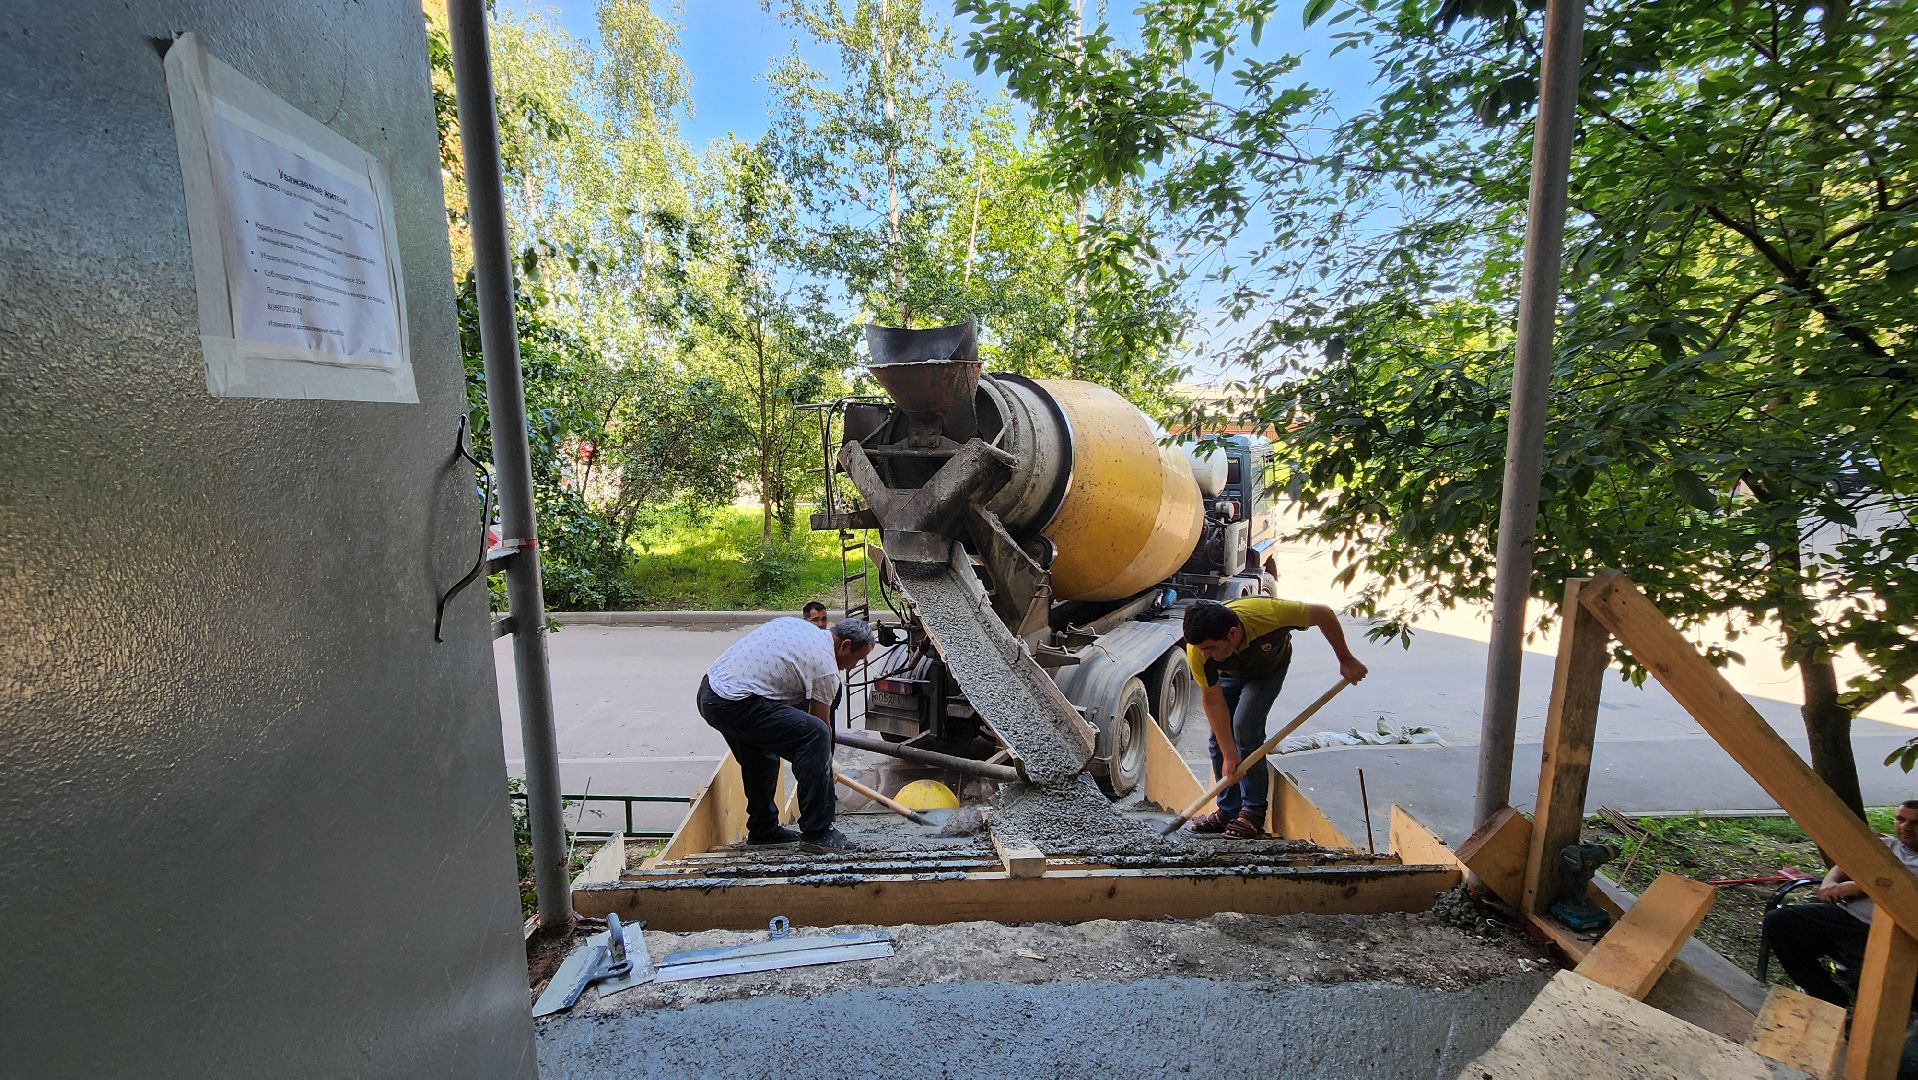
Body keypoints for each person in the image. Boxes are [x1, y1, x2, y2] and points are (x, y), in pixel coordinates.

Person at [1182, 596, 1370, 839]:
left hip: (1267, 671)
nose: (1203, 654)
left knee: (1246, 729)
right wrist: (1229, 755)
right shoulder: (1199, 653)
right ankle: (1229, 811)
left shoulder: (1269, 614)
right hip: (1228, 674)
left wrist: (1346, 658)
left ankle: (1252, 813)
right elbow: (1213, 702)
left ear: (1232, 633)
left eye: (1209, 648)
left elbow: (1323, 613)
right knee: (1220, 738)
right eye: (1200, 648)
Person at [696, 616, 875, 853]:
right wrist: (825, 764)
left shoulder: (805, 629)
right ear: (845, 645)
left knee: (760, 756)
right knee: (815, 736)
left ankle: (763, 829)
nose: (853, 666)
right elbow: (821, 726)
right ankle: (818, 831)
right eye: (857, 658)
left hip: (713, 692)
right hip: (734, 701)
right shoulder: (826, 670)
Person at [1763, 800, 1918, 1007]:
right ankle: (1827, 998)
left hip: (1889, 933)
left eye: (1915, 823)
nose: (1905, 827)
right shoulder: (1886, 846)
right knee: (1780, 921)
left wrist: (1859, 886)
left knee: (1872, 979)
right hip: (1846, 916)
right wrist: (1829, 884)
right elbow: (1843, 865)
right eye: (1900, 819)